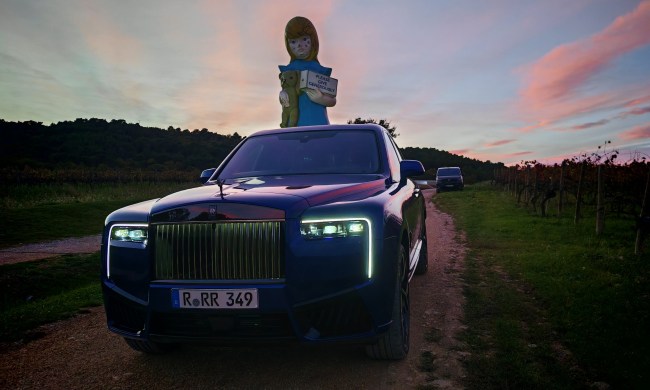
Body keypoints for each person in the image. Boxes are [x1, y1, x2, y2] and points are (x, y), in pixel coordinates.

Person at [279, 16, 336, 126]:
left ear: (313, 40)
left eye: (304, 39)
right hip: (292, 125)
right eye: (293, 41)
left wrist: (321, 98)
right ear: (288, 44)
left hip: (317, 123)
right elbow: (286, 96)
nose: (299, 45)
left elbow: (333, 100)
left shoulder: (319, 70)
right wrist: (282, 95)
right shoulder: (288, 70)